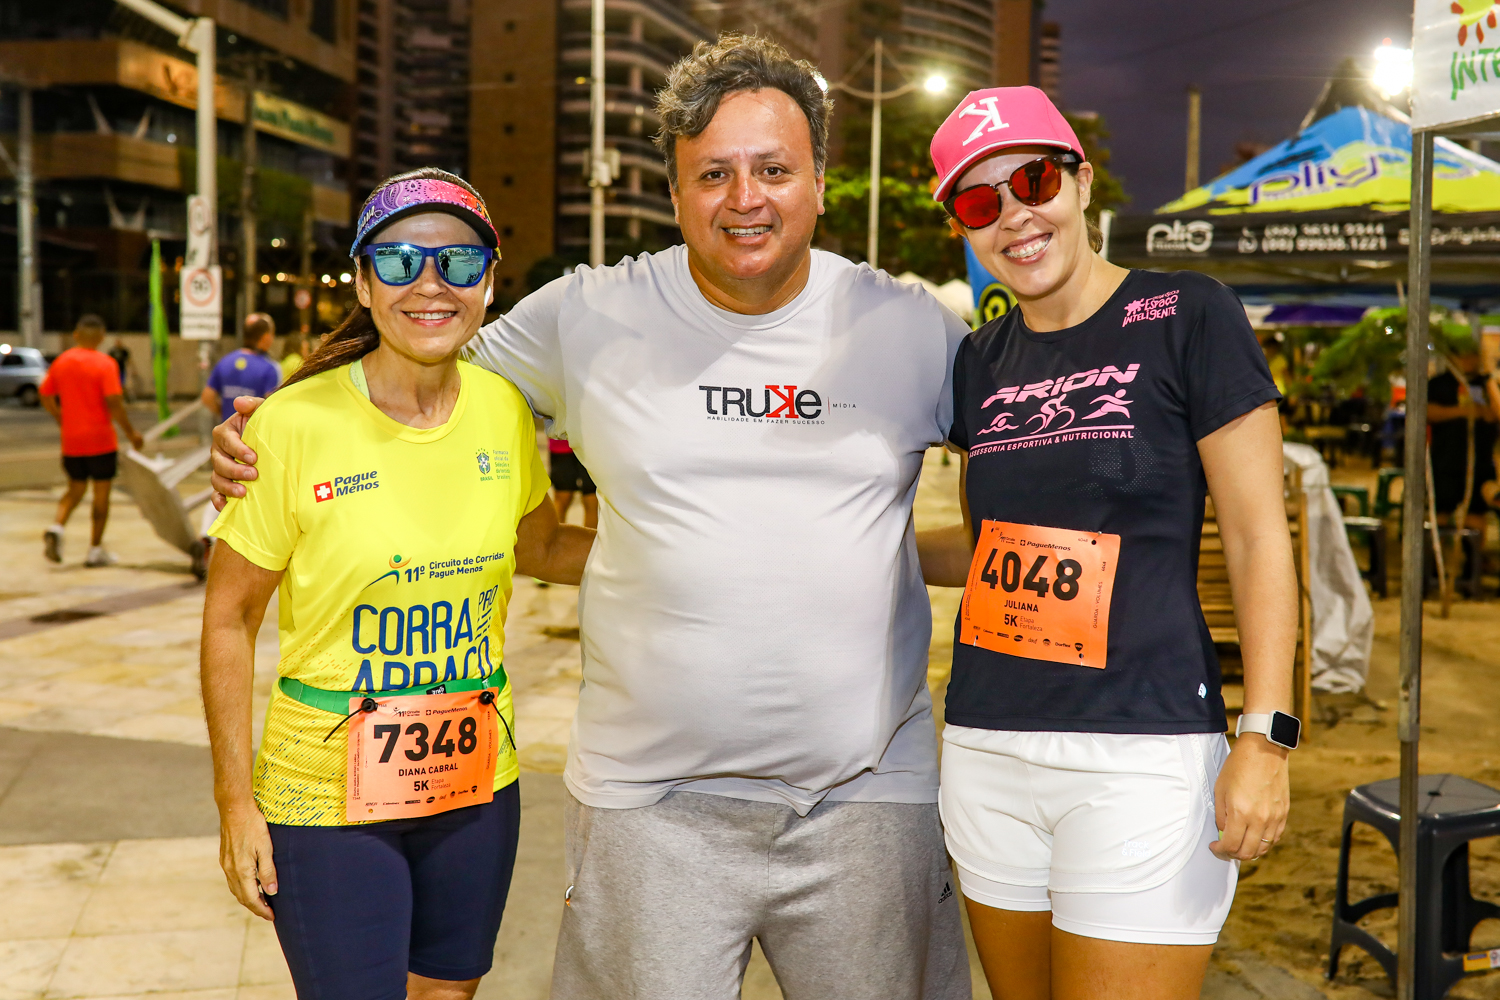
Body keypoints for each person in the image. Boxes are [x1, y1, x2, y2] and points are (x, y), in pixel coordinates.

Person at [210, 34, 973, 1000]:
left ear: (821, 182)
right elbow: (416, 356)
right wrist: (274, 420)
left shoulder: (912, 327)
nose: (745, 198)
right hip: (649, 808)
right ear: (675, 192)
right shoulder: (587, 314)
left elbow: (1038, 470)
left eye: (774, 169)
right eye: (713, 174)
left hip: (868, 802)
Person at [916, 87, 1297, 1000]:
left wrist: (1266, 737)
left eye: (1033, 182)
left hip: (1142, 750)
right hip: (987, 743)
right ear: (964, 228)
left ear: (1081, 182)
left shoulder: (1188, 314)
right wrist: (846, 546)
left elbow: (1257, 539)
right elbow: (989, 546)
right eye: (980, 202)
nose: (1014, 215)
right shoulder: (979, 360)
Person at [200, 169, 594, 1000]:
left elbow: (544, 548)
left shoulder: (503, 410)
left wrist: (696, 550)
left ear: (489, 283)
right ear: (362, 281)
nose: (430, 283)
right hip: (326, 795)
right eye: (399, 260)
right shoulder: (291, 424)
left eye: (459, 262)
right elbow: (229, 618)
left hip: (476, 780)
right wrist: (235, 802)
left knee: (449, 991)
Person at [40, 314, 145, 566]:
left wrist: (60, 417)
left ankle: (57, 527)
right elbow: (114, 403)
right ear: (101, 337)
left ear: (76, 335)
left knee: (75, 489)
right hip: (101, 441)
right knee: (101, 494)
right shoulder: (105, 364)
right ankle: (95, 549)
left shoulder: (62, 361)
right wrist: (131, 433)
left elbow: (45, 394)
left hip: (71, 441)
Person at [1427, 342, 1499, 527]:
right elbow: (1428, 412)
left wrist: (1488, 378)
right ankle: (1438, 545)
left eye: (1473, 356)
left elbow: (1496, 413)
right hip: (1446, 460)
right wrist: (1465, 412)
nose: (1469, 360)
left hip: (1480, 462)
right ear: (1451, 358)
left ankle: (1473, 547)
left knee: (1476, 514)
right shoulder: (1439, 383)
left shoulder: (1486, 385)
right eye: (1463, 356)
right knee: (1441, 513)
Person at [203, 313, 283, 421]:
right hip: (252, 430)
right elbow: (272, 406)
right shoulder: (270, 368)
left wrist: (224, 413)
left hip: (228, 428)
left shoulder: (225, 361)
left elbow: (207, 397)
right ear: (266, 337)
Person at [548, 438, 597, 528]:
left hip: (563, 440)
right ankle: (590, 538)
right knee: (591, 499)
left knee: (563, 497)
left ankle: (554, 536)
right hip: (589, 443)